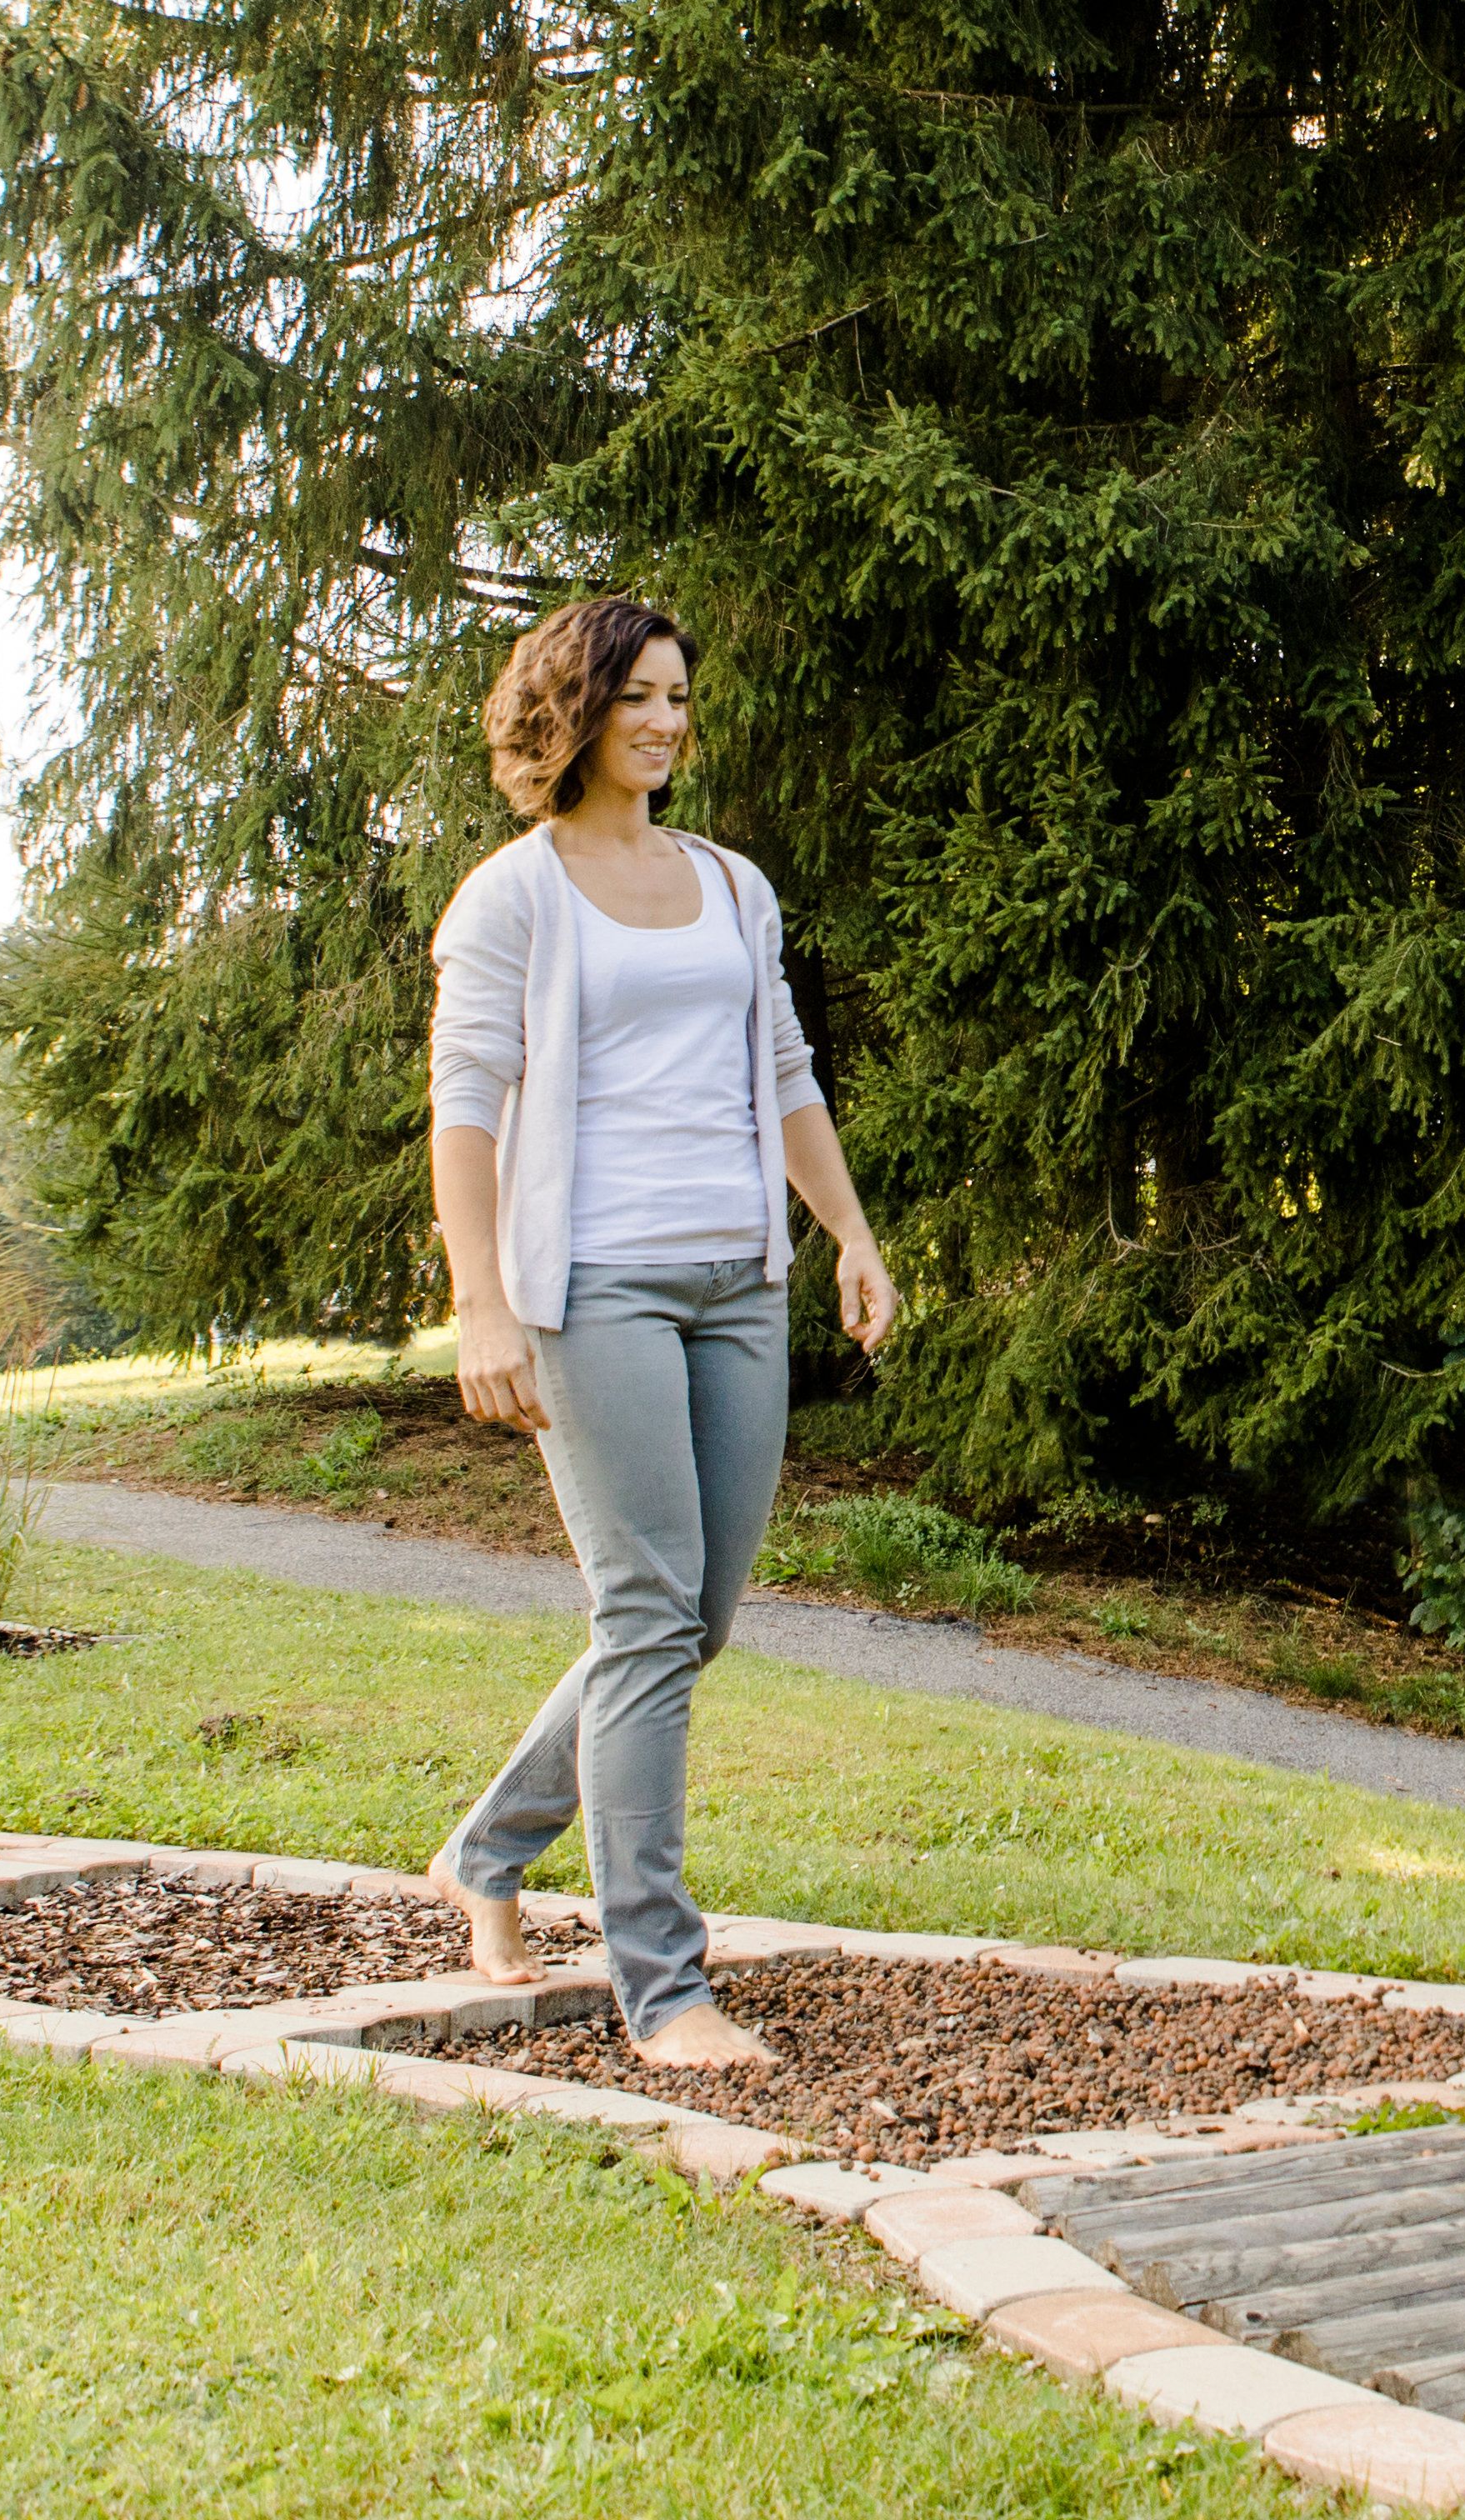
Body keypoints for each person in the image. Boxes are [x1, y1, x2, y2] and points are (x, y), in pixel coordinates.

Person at [422, 594, 895, 2063]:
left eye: (681, 697)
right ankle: (663, 1986)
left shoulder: (735, 887)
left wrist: (848, 1233)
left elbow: (786, 1067)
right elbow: (468, 1105)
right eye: (638, 694)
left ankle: (488, 1854)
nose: (667, 721)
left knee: (698, 1618)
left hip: (734, 1282)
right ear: (573, 708)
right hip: (598, 1285)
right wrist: (480, 1300)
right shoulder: (514, 895)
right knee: (644, 1612)